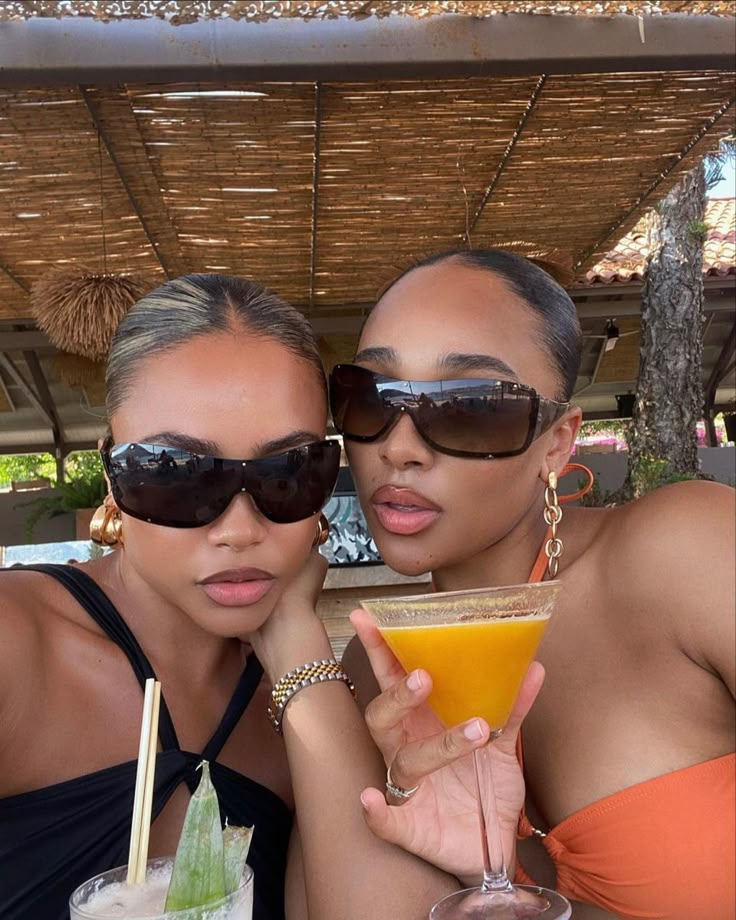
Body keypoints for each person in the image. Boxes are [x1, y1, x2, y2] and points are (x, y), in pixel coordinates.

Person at [0, 274, 462, 920]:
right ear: (111, 476)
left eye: (287, 474)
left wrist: (294, 639)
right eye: (176, 475)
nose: (241, 531)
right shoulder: (16, 647)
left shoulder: (307, 708)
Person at [333, 249, 736, 920]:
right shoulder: (377, 668)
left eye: (471, 406)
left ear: (557, 443)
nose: (398, 447)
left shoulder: (684, 552)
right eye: (370, 395)